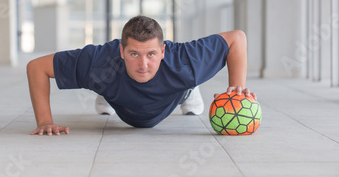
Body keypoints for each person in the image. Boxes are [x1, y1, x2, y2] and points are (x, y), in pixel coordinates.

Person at [26, 15, 255, 136]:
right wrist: (45, 121)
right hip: (119, 96)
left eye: (152, 54)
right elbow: (36, 67)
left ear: (163, 51)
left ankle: (189, 91)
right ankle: (105, 93)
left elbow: (237, 38)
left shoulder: (185, 61)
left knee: (186, 80)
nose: (143, 64)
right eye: (134, 53)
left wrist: (236, 88)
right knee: (103, 79)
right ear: (121, 51)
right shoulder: (100, 62)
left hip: (174, 93)